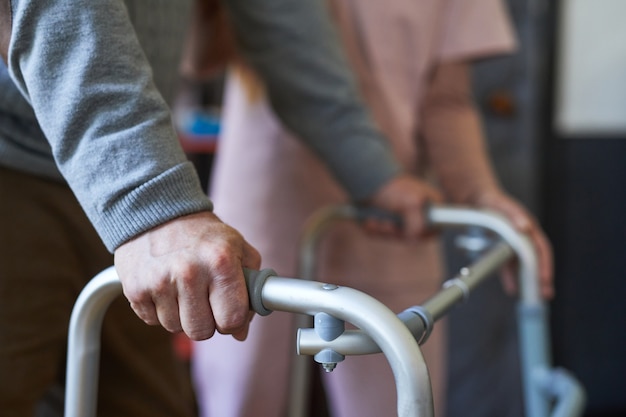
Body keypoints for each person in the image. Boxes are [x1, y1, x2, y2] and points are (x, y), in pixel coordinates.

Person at [0, 0, 449, 416]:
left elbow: (285, 22)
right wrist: (154, 207)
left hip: (116, 183)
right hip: (20, 164)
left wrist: (372, 172)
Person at [190, 0, 554, 416]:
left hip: (396, 212)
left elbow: (447, 99)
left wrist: (481, 196)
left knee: (399, 395)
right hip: (267, 198)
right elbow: (200, 58)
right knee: (240, 396)